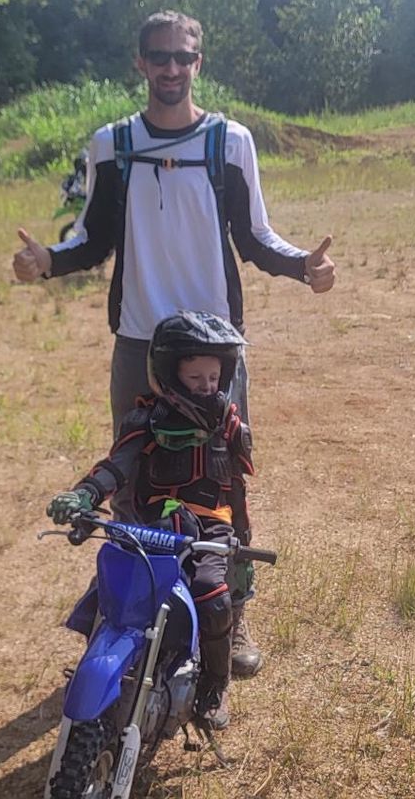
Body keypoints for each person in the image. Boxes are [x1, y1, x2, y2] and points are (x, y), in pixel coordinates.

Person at [10, 10, 338, 679]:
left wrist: (303, 265)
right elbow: (92, 238)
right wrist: (47, 262)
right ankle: (131, 610)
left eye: (183, 57)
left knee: (221, 486)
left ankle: (230, 612)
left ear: (198, 63)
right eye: (159, 56)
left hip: (215, 349)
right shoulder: (113, 144)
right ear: (139, 64)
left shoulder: (228, 141)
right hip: (139, 341)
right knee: (134, 481)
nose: (170, 68)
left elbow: (254, 237)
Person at [47, 311, 255, 729]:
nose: (207, 387)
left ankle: (214, 687)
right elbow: (115, 466)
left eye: (214, 378)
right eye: (196, 379)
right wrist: (84, 494)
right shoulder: (145, 420)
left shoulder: (230, 427)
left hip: (212, 526)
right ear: (169, 373)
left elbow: (236, 491)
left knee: (212, 597)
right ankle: (101, 666)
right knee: (115, 592)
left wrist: (243, 549)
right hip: (152, 527)